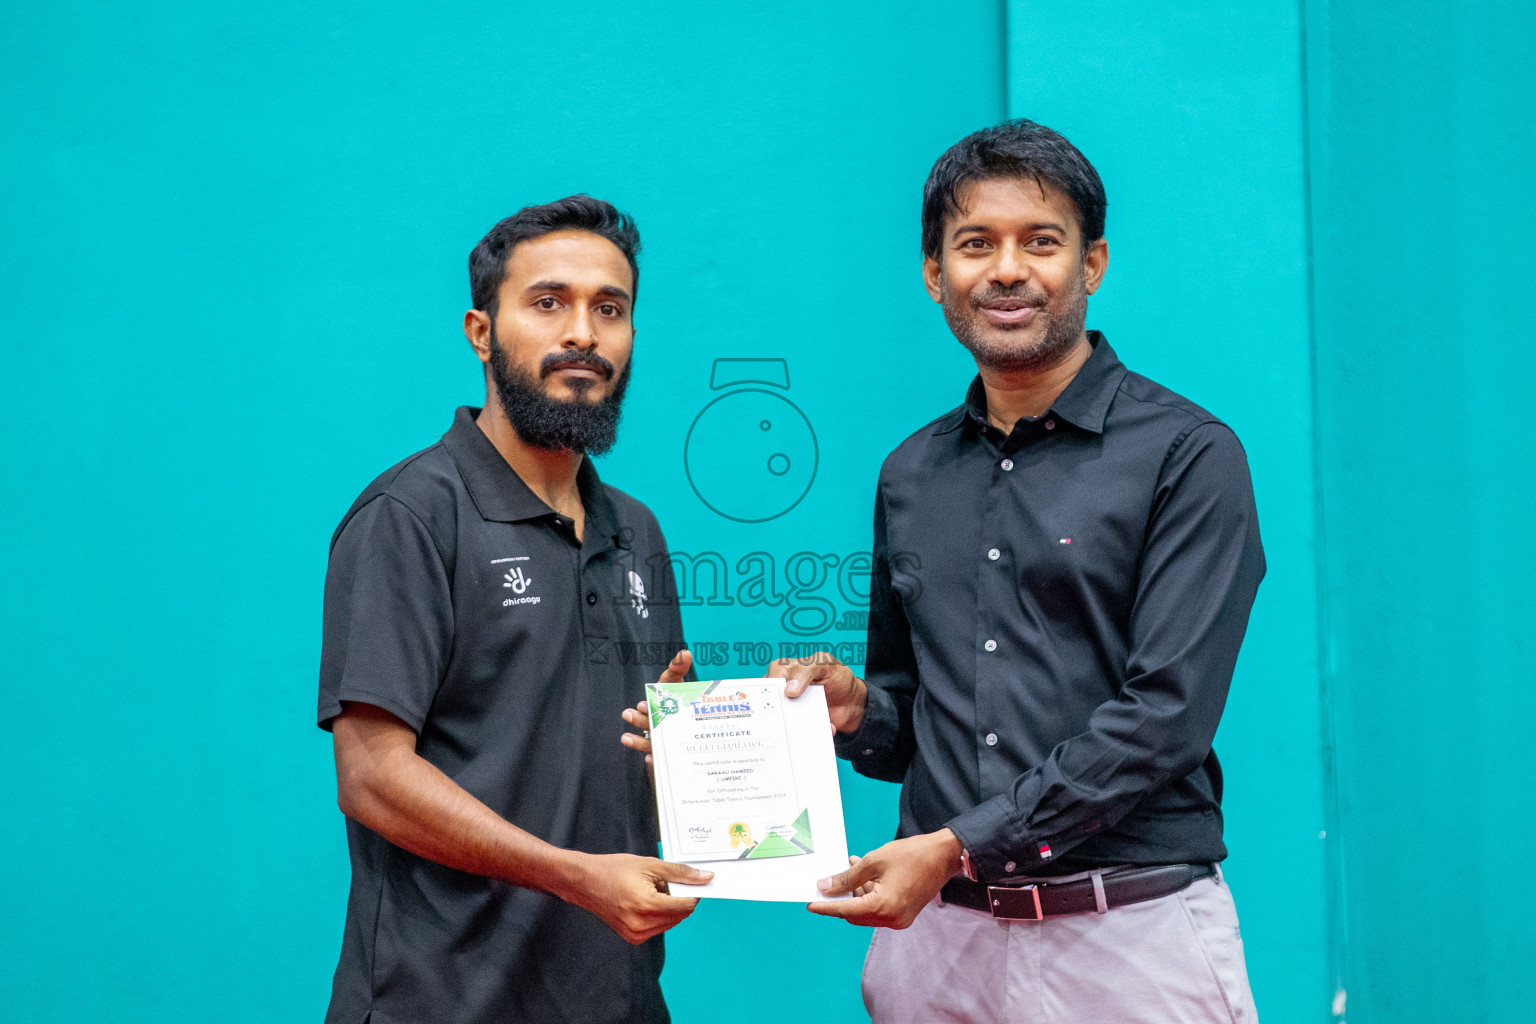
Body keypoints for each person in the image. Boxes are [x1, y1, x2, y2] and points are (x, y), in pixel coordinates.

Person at [784, 120, 1266, 1021]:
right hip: (938, 948)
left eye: (1040, 241)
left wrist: (957, 845)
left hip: (1127, 937)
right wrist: (854, 715)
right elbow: (912, 724)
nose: (1007, 270)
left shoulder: (1187, 456)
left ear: (1092, 265)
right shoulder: (910, 474)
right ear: (936, 276)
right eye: (975, 245)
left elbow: (1164, 717)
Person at [316, 195, 708, 1024]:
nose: (583, 334)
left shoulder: (636, 530)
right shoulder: (412, 517)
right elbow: (372, 776)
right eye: (547, 303)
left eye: (610, 308)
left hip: (617, 999)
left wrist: (701, 746)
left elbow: (634, 770)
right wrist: (573, 873)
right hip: (442, 1001)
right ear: (481, 331)